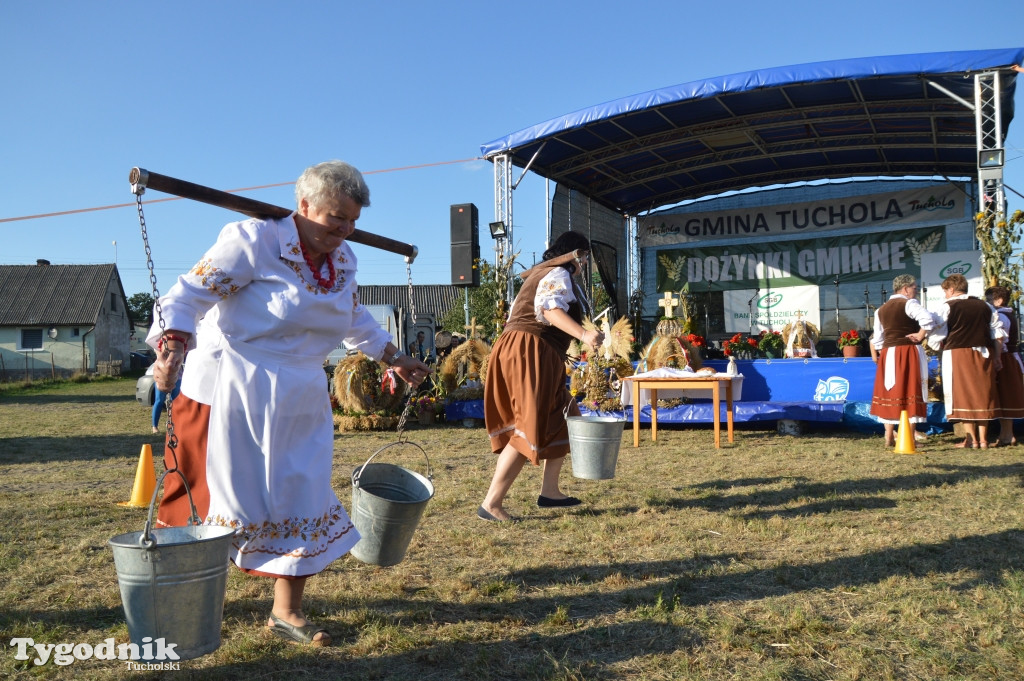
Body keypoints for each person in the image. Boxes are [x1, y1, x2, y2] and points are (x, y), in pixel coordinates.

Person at [146, 160, 430, 647]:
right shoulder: (254, 241)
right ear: (304, 206)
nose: (344, 230)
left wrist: (394, 354)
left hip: (301, 394)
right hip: (233, 387)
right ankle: (180, 605)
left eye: (353, 220)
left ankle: (286, 612)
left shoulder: (343, 261)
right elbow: (189, 293)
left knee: (304, 494)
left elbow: (353, 317)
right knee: (205, 499)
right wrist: (172, 342)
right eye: (335, 217)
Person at [478, 231, 605, 522]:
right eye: (584, 258)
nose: (585, 264)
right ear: (578, 254)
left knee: (562, 412)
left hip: (532, 350)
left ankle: (550, 491)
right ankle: (492, 503)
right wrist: (584, 335)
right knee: (530, 422)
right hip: (529, 351)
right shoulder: (558, 272)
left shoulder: (546, 273)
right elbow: (550, 310)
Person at [926, 274, 1004, 448]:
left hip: (957, 354)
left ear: (951, 289)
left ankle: (971, 439)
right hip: (984, 354)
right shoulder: (985, 306)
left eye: (945, 291)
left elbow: (936, 335)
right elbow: (998, 334)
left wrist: (936, 345)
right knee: (983, 393)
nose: (945, 295)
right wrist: (997, 357)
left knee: (962, 394)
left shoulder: (947, 307)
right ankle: (983, 439)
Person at [868, 274, 937, 447]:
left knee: (890, 391)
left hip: (888, 352)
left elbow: (877, 339)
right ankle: (910, 438)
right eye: (914, 287)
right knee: (910, 389)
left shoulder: (881, 310)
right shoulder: (909, 303)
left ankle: (889, 435)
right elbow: (928, 319)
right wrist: (921, 335)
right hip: (907, 351)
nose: (916, 290)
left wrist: (884, 350)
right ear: (905, 288)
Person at [985, 285, 1024, 446]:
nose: (987, 303)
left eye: (989, 300)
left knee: (1005, 395)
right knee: (1003, 395)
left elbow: (1000, 340)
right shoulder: (1008, 314)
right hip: (1009, 357)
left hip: (1005, 358)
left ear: (999, 300)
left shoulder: (1001, 316)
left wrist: (996, 357)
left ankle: (1007, 435)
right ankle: (1006, 434)